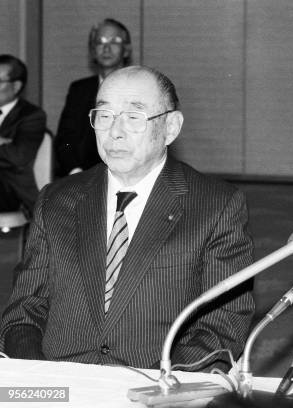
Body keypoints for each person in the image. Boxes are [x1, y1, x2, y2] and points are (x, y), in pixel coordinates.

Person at [0, 66, 255, 371]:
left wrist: (160, 391)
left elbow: (222, 325)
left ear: (171, 127)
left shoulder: (215, 205)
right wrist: (44, 381)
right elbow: (24, 310)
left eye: (133, 117)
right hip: (60, 382)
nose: (115, 131)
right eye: (104, 116)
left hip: (154, 386)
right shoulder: (56, 199)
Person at [54, 18, 132, 177]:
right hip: (81, 177)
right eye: (100, 42)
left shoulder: (141, 88)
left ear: (127, 49)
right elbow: (65, 141)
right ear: (92, 51)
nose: (107, 48)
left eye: (114, 41)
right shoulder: (79, 90)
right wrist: (75, 172)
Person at [0, 54, 47, 216]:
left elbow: (19, 157)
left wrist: (9, 149)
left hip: (12, 192)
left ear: (16, 86)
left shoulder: (32, 115)